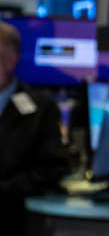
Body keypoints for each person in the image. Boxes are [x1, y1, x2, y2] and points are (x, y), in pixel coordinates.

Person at [0, 22, 70, 236]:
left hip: (14, 218)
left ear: (12, 59)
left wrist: (6, 189)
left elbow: (53, 168)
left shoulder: (40, 108)